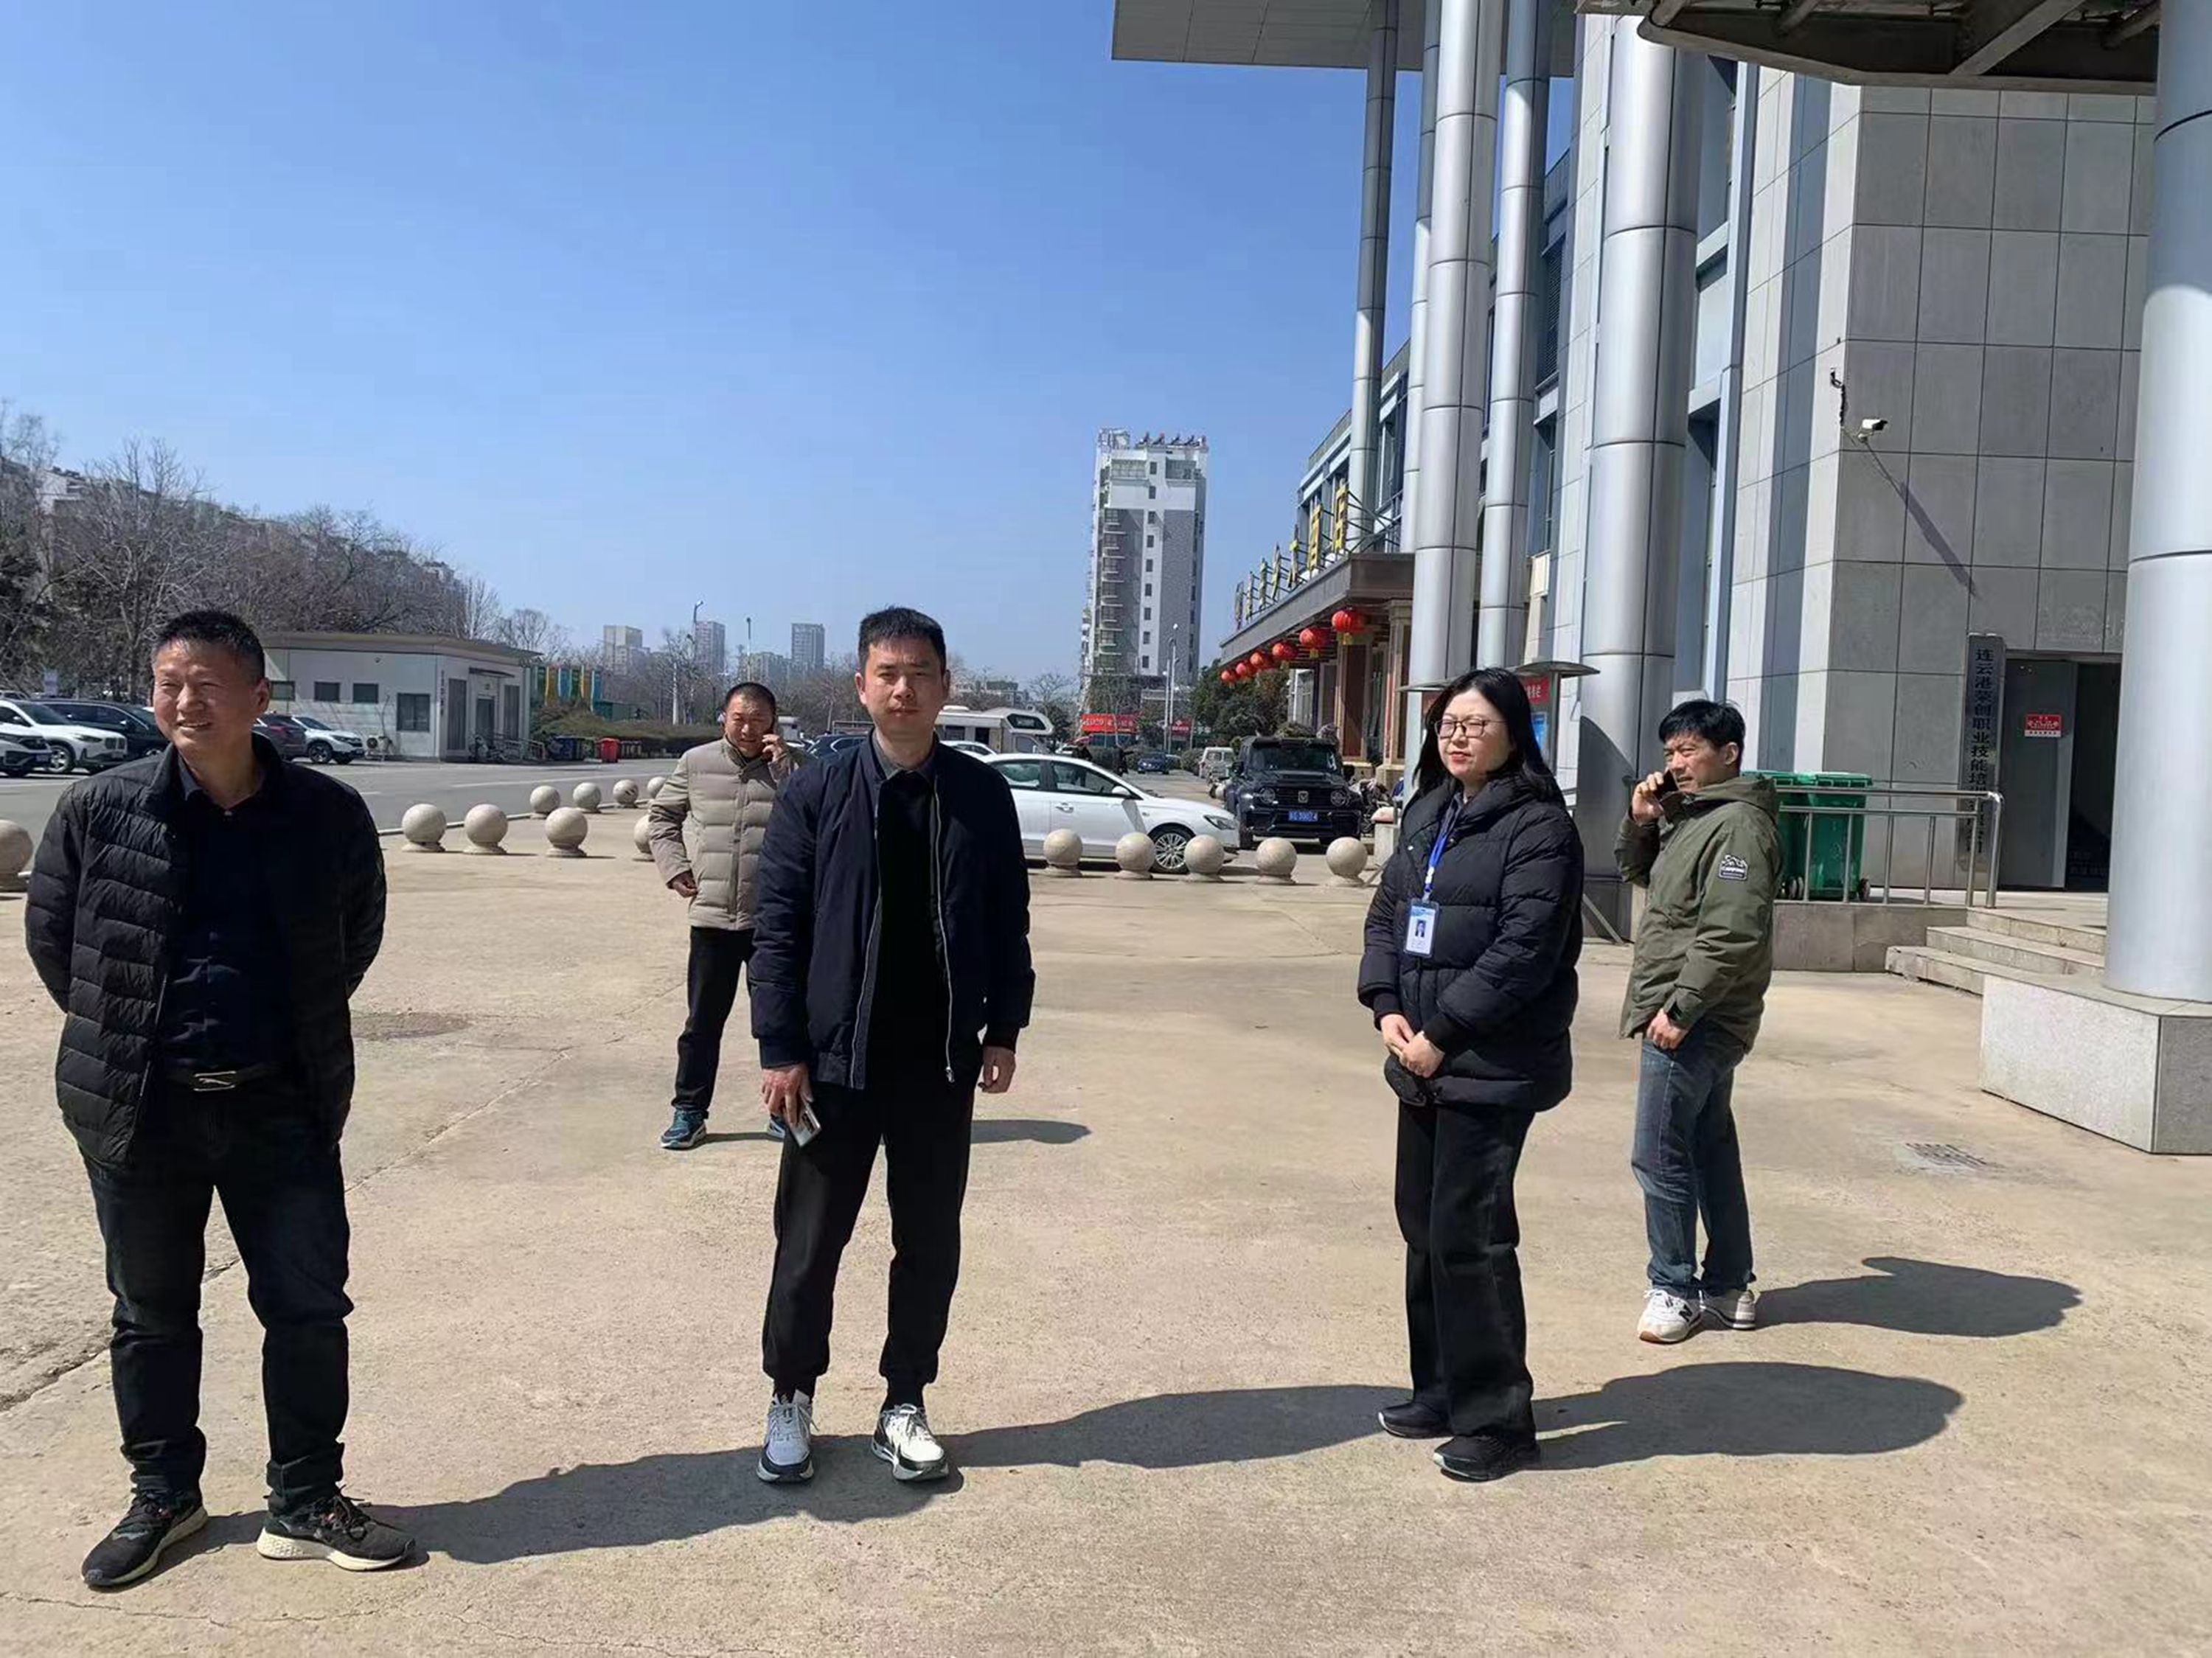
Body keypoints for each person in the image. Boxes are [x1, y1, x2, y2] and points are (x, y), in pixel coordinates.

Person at [24, 610, 414, 1589]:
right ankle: (165, 1496)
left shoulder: (324, 814)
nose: (185, 701)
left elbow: (354, 934)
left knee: (307, 1308)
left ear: (258, 698)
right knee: (149, 1312)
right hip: (140, 1108)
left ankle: (305, 1498)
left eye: (207, 683)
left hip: (280, 1106)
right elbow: (56, 941)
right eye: (169, 683)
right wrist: (126, 1033)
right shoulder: (100, 808)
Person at [748, 606, 1034, 1486]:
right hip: (834, 1063)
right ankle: (791, 1394)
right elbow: (777, 928)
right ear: (862, 685)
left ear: (946, 686)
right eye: (888, 673)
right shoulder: (818, 791)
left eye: (920, 673)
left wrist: (1004, 1025)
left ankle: (904, 1400)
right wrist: (780, 1046)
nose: (903, 688)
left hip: (938, 1062)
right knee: (809, 1243)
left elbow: (1009, 919)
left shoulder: (980, 794)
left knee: (929, 1240)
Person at [1357, 667, 1583, 1484]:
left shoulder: (1540, 827)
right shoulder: (1430, 810)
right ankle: (1443, 1388)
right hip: (1419, 1055)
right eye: (1449, 723)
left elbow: (1524, 951)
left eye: (1476, 723)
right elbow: (1388, 915)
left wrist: (1443, 1032)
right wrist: (1387, 1004)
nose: (1458, 736)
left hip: (1490, 1063)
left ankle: (1500, 1419)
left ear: (1515, 734)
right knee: (1424, 1228)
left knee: (1472, 1236)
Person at [1617, 700, 1781, 1345]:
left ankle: (1675, 1287)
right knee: (1709, 1147)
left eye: (1688, 750)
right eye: (1670, 753)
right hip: (1691, 1006)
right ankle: (1729, 1285)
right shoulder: (1697, 817)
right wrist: (1643, 821)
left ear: (1729, 753)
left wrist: (1681, 1008)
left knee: (1659, 1151)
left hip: (1697, 1013)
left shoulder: (1738, 825)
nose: (1676, 763)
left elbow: (1731, 931)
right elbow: (1641, 875)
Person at [647, 680, 803, 1151]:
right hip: (712, 919)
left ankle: (785, 1112)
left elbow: (819, 817)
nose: (748, 729)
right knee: (702, 1024)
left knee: (781, 1021)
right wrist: (675, 867)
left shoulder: (798, 767)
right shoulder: (696, 763)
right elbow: (662, 817)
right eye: (739, 719)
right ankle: (689, 1111)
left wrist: (786, 769)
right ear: (724, 718)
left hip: (774, 922)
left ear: (774, 722)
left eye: (758, 720)